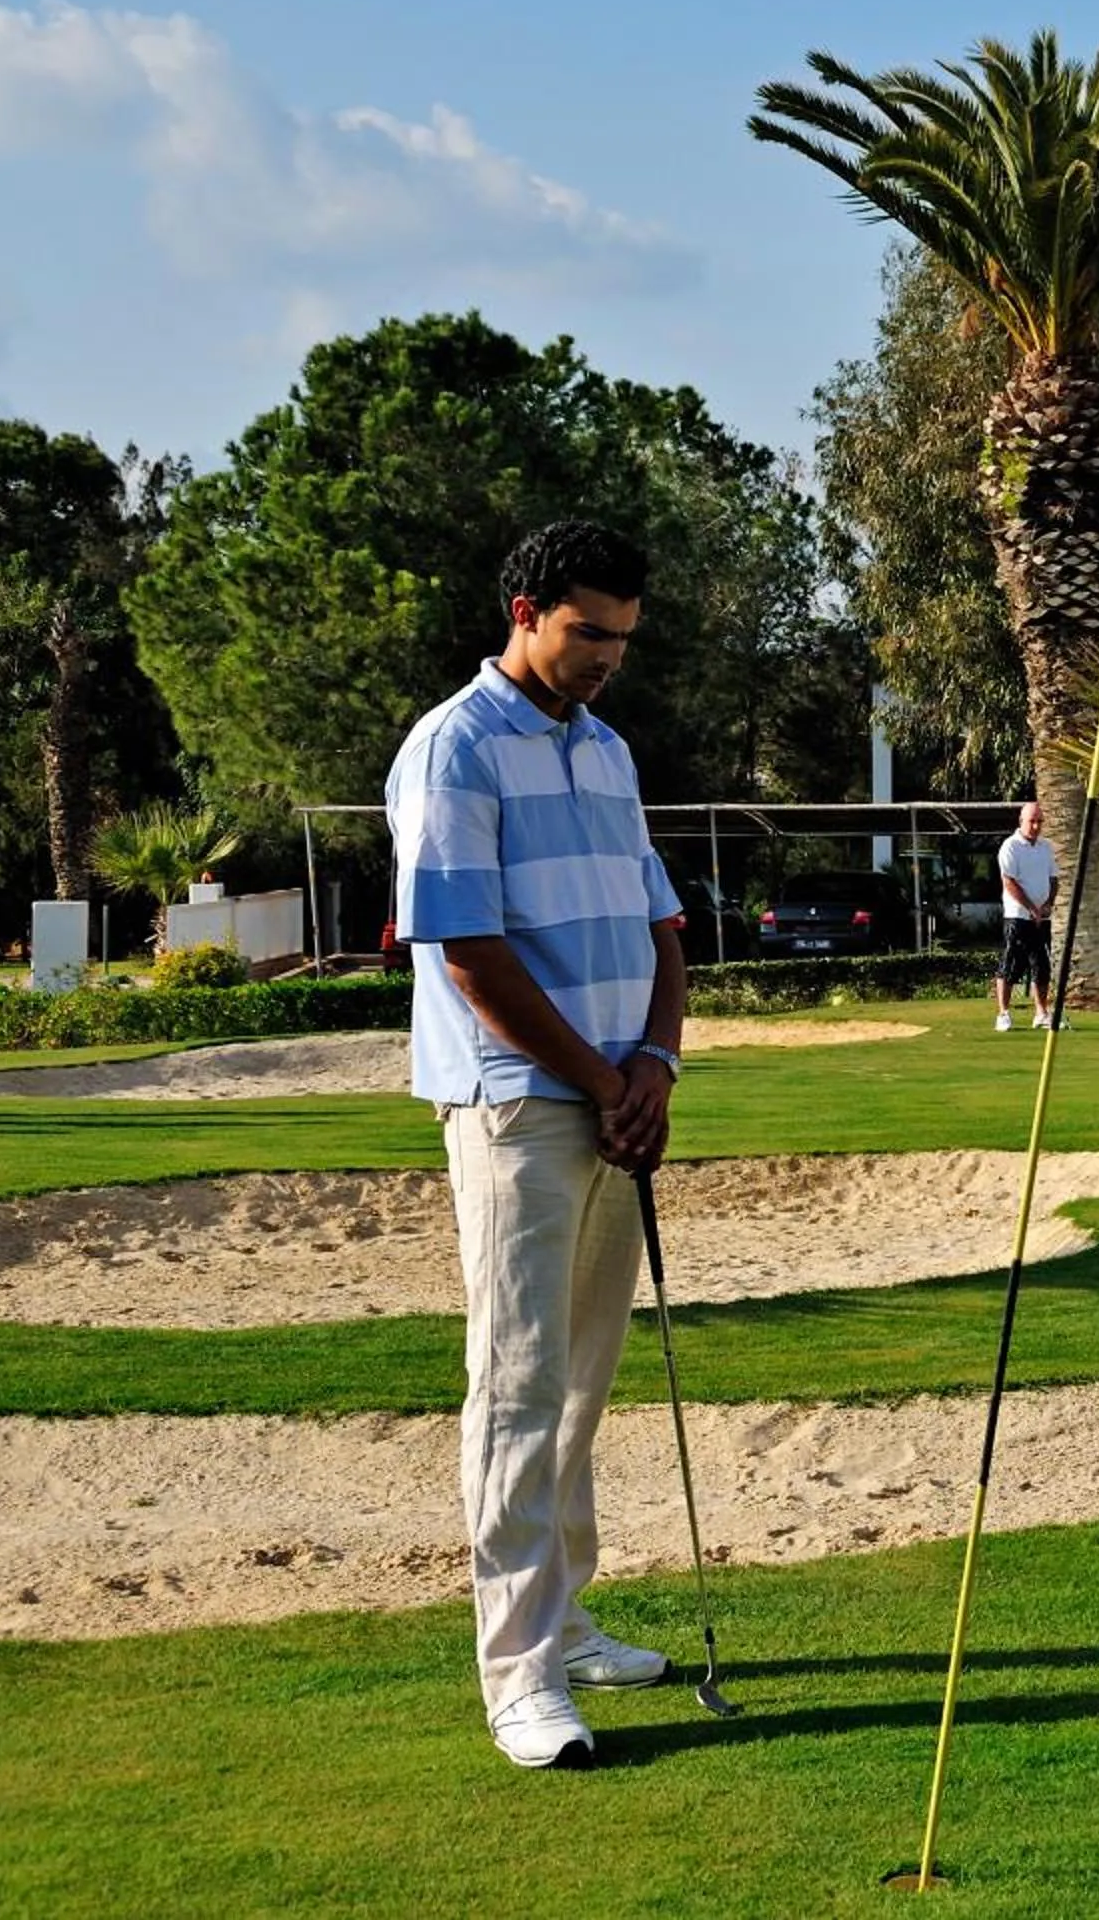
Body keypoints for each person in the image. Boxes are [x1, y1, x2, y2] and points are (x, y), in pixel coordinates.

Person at [386, 519, 687, 1768]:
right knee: (516, 1383)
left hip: (616, 1099)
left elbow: (663, 924)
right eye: (586, 632)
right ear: (525, 610)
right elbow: (466, 949)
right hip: (519, 1102)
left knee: (581, 1380)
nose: (607, 656)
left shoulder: (608, 748)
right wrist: (600, 1076)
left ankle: (563, 1621)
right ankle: (517, 1672)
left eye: (621, 635)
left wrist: (656, 1064)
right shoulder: (453, 747)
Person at [993, 800, 1057, 1032]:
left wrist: (1048, 905)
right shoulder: (1010, 846)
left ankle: (1041, 1013)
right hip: (1017, 916)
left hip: (1042, 918)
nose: (1036, 826)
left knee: (1041, 965)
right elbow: (1009, 882)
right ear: (1022, 821)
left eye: (1040, 821)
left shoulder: (1045, 847)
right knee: (1011, 964)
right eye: (1032, 821)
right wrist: (1031, 907)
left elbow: (1053, 879)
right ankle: (1003, 1013)